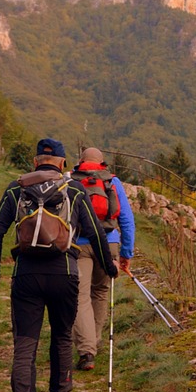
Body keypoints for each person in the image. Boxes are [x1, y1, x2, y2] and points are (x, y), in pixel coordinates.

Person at [0, 138, 118, 392]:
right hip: (65, 273)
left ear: (35, 162)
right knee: (60, 337)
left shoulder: (16, 188)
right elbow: (96, 232)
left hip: (26, 275)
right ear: (61, 163)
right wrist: (109, 267)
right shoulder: (73, 189)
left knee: (25, 345)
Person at [70, 147, 135, 371]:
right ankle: (93, 342)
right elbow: (126, 219)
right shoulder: (112, 182)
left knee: (80, 296)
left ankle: (87, 350)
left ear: (81, 161)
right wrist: (126, 253)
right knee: (100, 292)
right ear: (102, 162)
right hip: (109, 242)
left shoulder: (71, 180)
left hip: (80, 244)